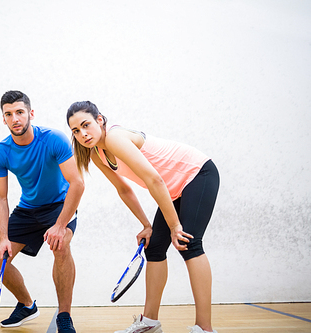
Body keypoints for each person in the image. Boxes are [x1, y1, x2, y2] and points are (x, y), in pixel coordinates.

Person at [66, 101, 220, 333]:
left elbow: (154, 179)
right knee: (155, 246)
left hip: (198, 173)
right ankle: (149, 323)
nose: (82, 134)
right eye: (76, 131)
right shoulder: (96, 153)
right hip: (173, 189)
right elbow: (124, 189)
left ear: (100, 120)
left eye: (86, 125)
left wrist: (175, 225)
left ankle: (205, 328)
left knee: (189, 243)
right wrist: (147, 225)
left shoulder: (115, 138)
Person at [0, 91, 84, 333]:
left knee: (60, 245)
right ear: (3, 119)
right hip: (28, 210)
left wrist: (61, 225)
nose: (15, 118)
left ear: (30, 113)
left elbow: (77, 183)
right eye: (8, 114)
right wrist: (3, 238)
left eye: (20, 112)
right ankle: (27, 304)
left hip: (58, 206)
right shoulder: (1, 152)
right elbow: (0, 197)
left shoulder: (53, 139)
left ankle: (64, 315)